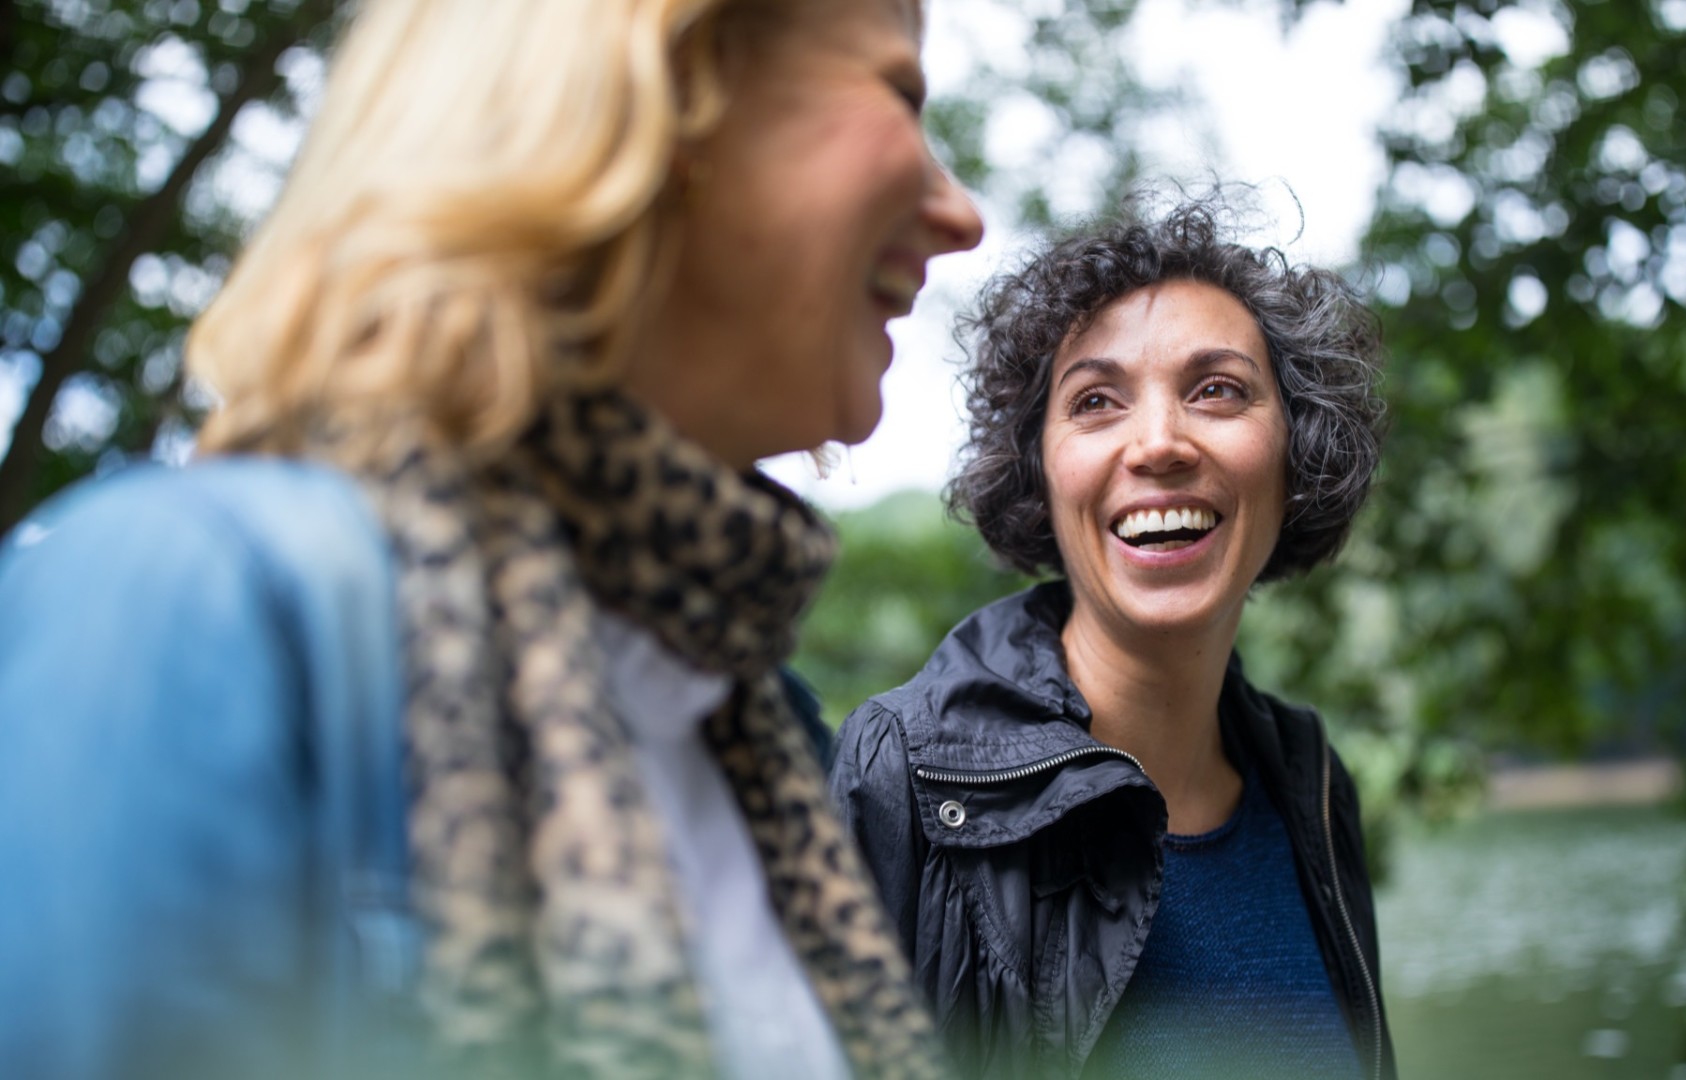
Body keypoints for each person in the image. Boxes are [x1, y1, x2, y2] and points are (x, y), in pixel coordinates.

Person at [0, 0, 982, 1077]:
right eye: (899, 92)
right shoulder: (191, 604)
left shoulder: (762, 734)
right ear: (667, 94)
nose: (960, 212)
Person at [829, 195, 1396, 1080]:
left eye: (1217, 390)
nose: (1159, 443)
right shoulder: (898, 776)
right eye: (1096, 400)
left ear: (1295, 458)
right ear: (1040, 475)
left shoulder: (1314, 784)